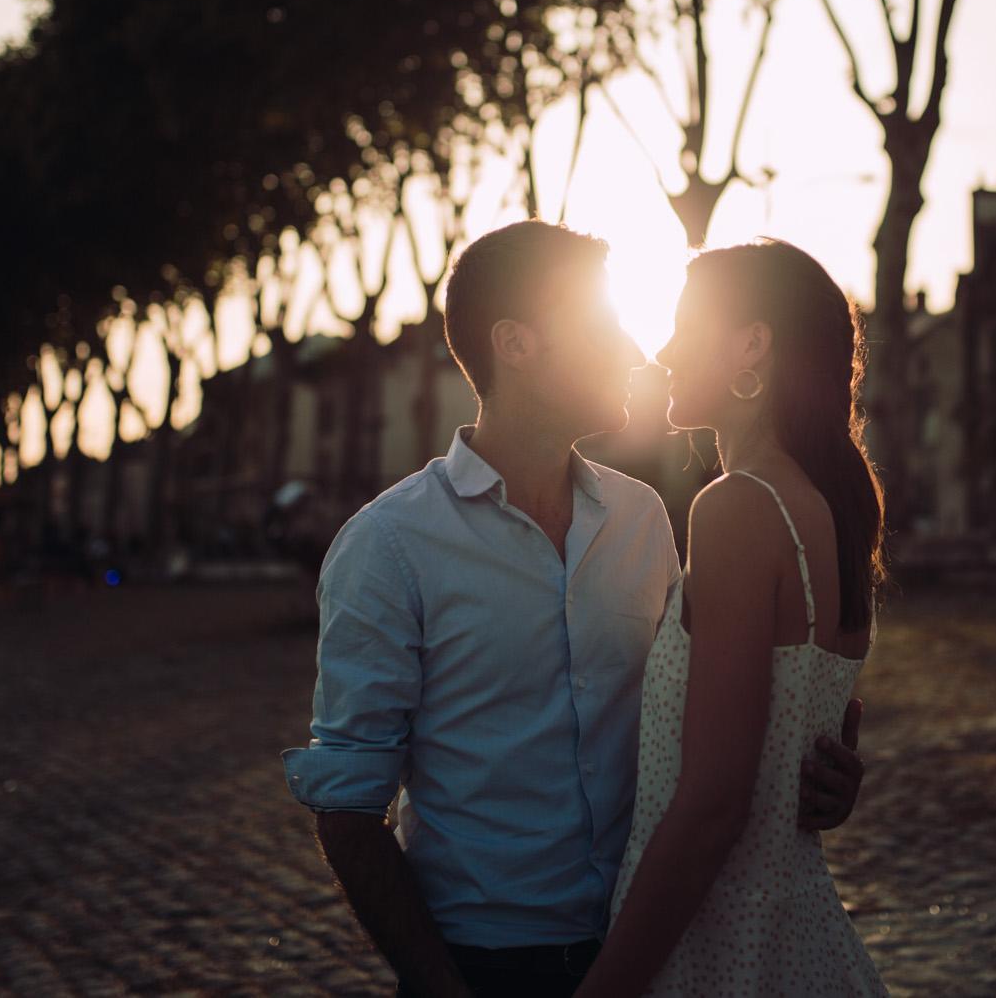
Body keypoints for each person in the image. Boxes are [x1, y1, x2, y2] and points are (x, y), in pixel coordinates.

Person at [282, 221, 865, 998]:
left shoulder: (645, 518)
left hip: (650, 945)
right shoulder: (388, 546)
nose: (636, 351)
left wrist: (823, 766)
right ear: (516, 344)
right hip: (486, 966)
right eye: (604, 324)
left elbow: (719, 720)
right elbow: (348, 808)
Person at [575, 238, 889, 997]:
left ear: (752, 343)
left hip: (719, 945)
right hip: (797, 933)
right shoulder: (836, 512)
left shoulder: (739, 508)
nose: (663, 347)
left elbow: (715, 803)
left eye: (686, 324)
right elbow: (805, 745)